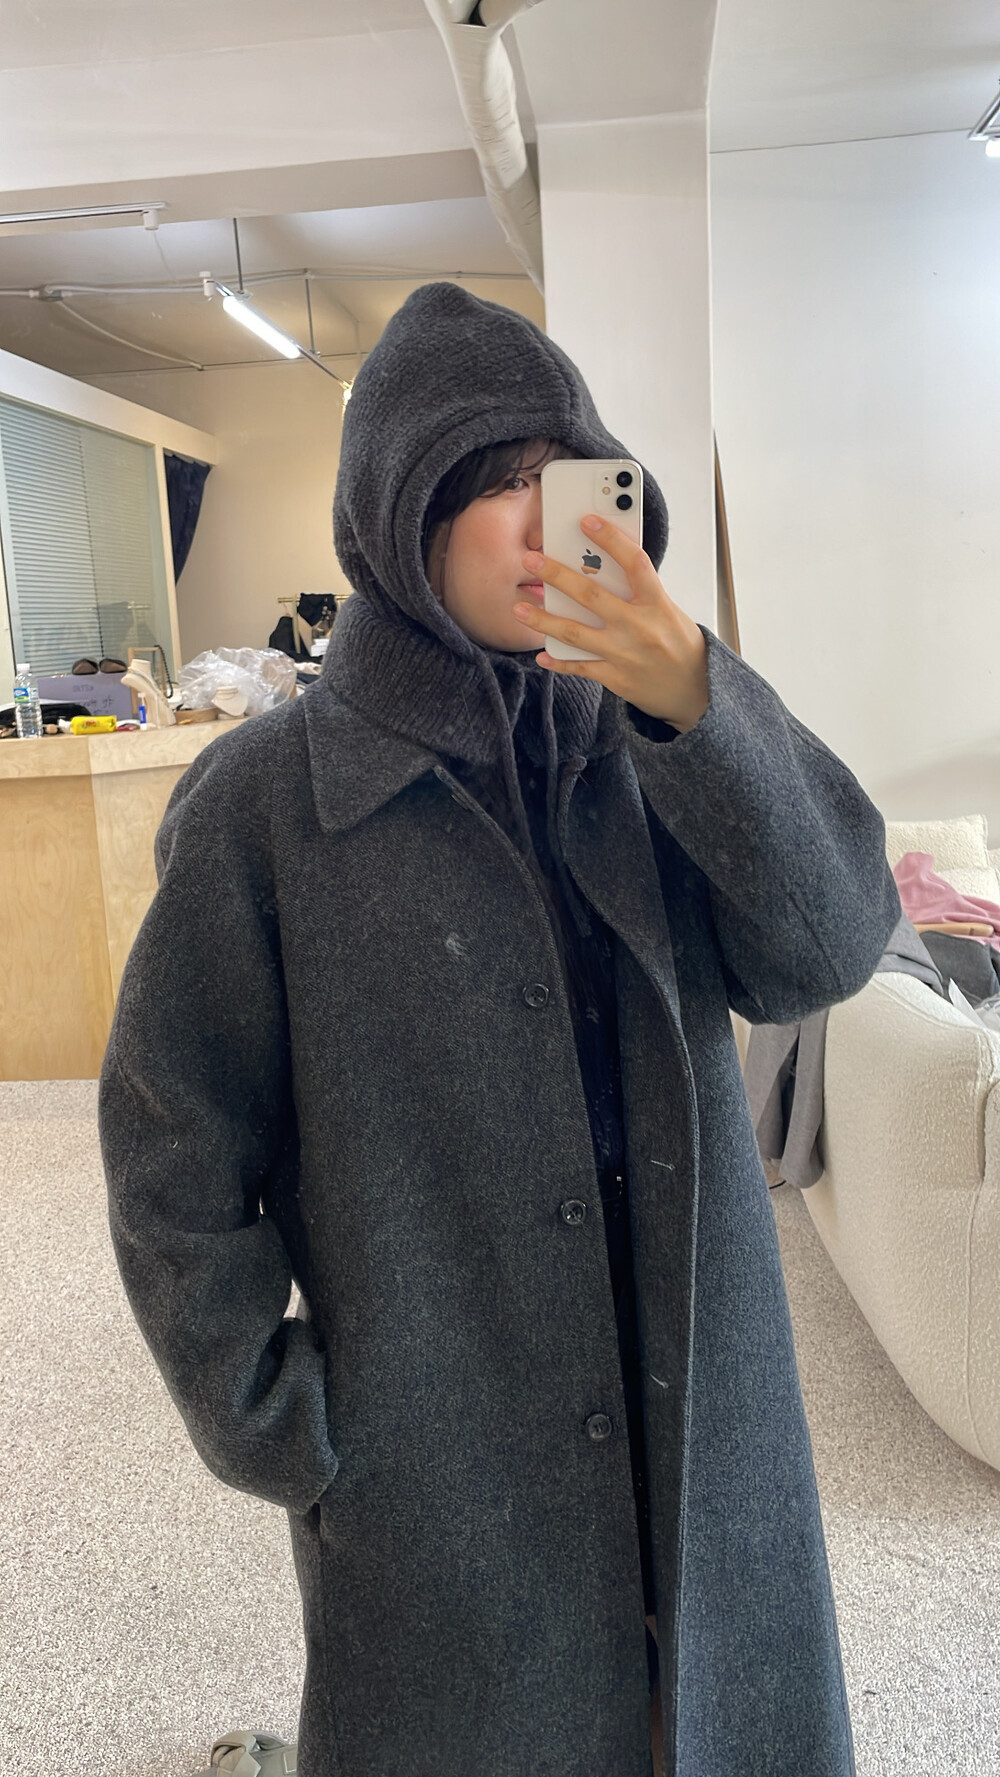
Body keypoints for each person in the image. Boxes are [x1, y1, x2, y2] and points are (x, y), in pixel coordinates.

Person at [99, 281, 901, 1777]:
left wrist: (698, 704)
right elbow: (169, 1146)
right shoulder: (268, 807)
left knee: (710, 1718)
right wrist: (281, 1422)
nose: (549, 525)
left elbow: (832, 945)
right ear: (407, 515)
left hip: (699, 1405)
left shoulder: (657, 738)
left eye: (572, 477)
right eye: (501, 484)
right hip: (444, 1465)